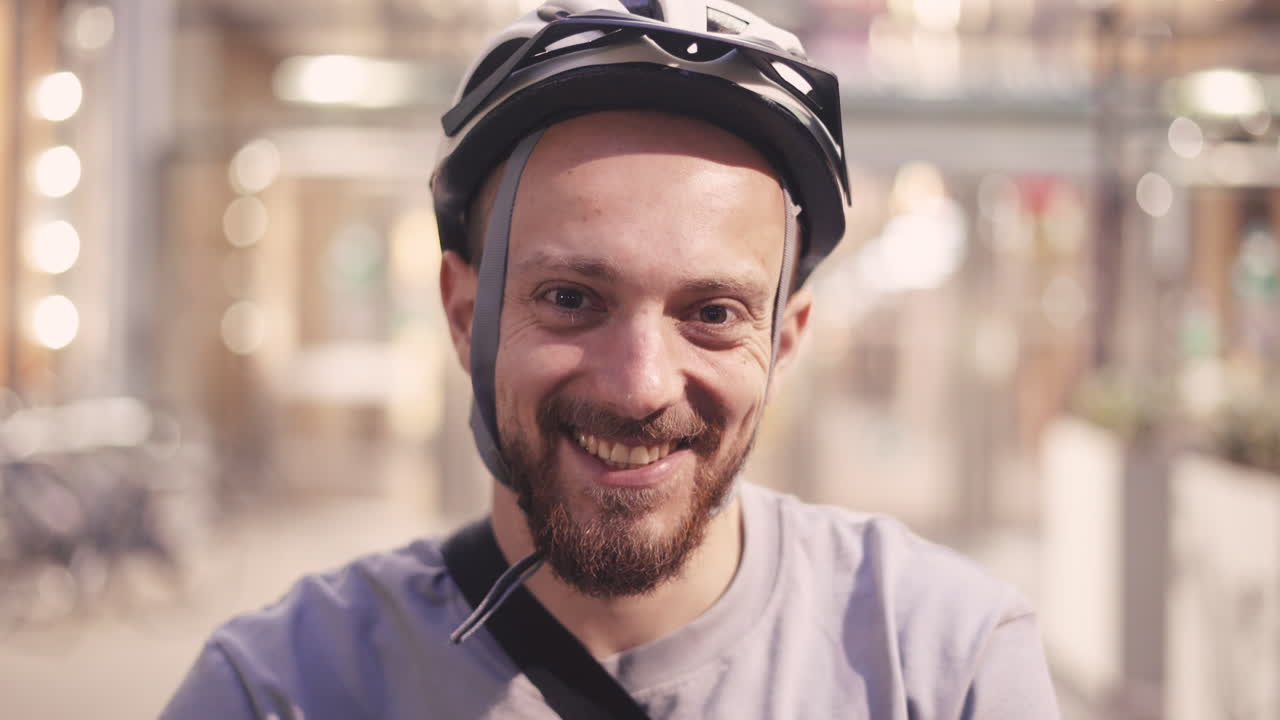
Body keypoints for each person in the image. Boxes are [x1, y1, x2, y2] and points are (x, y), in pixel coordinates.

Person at [163, 1, 1060, 718]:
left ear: (784, 343)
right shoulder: (284, 689)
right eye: (570, 299)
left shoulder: (945, 668)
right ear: (463, 311)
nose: (639, 385)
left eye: (712, 313)